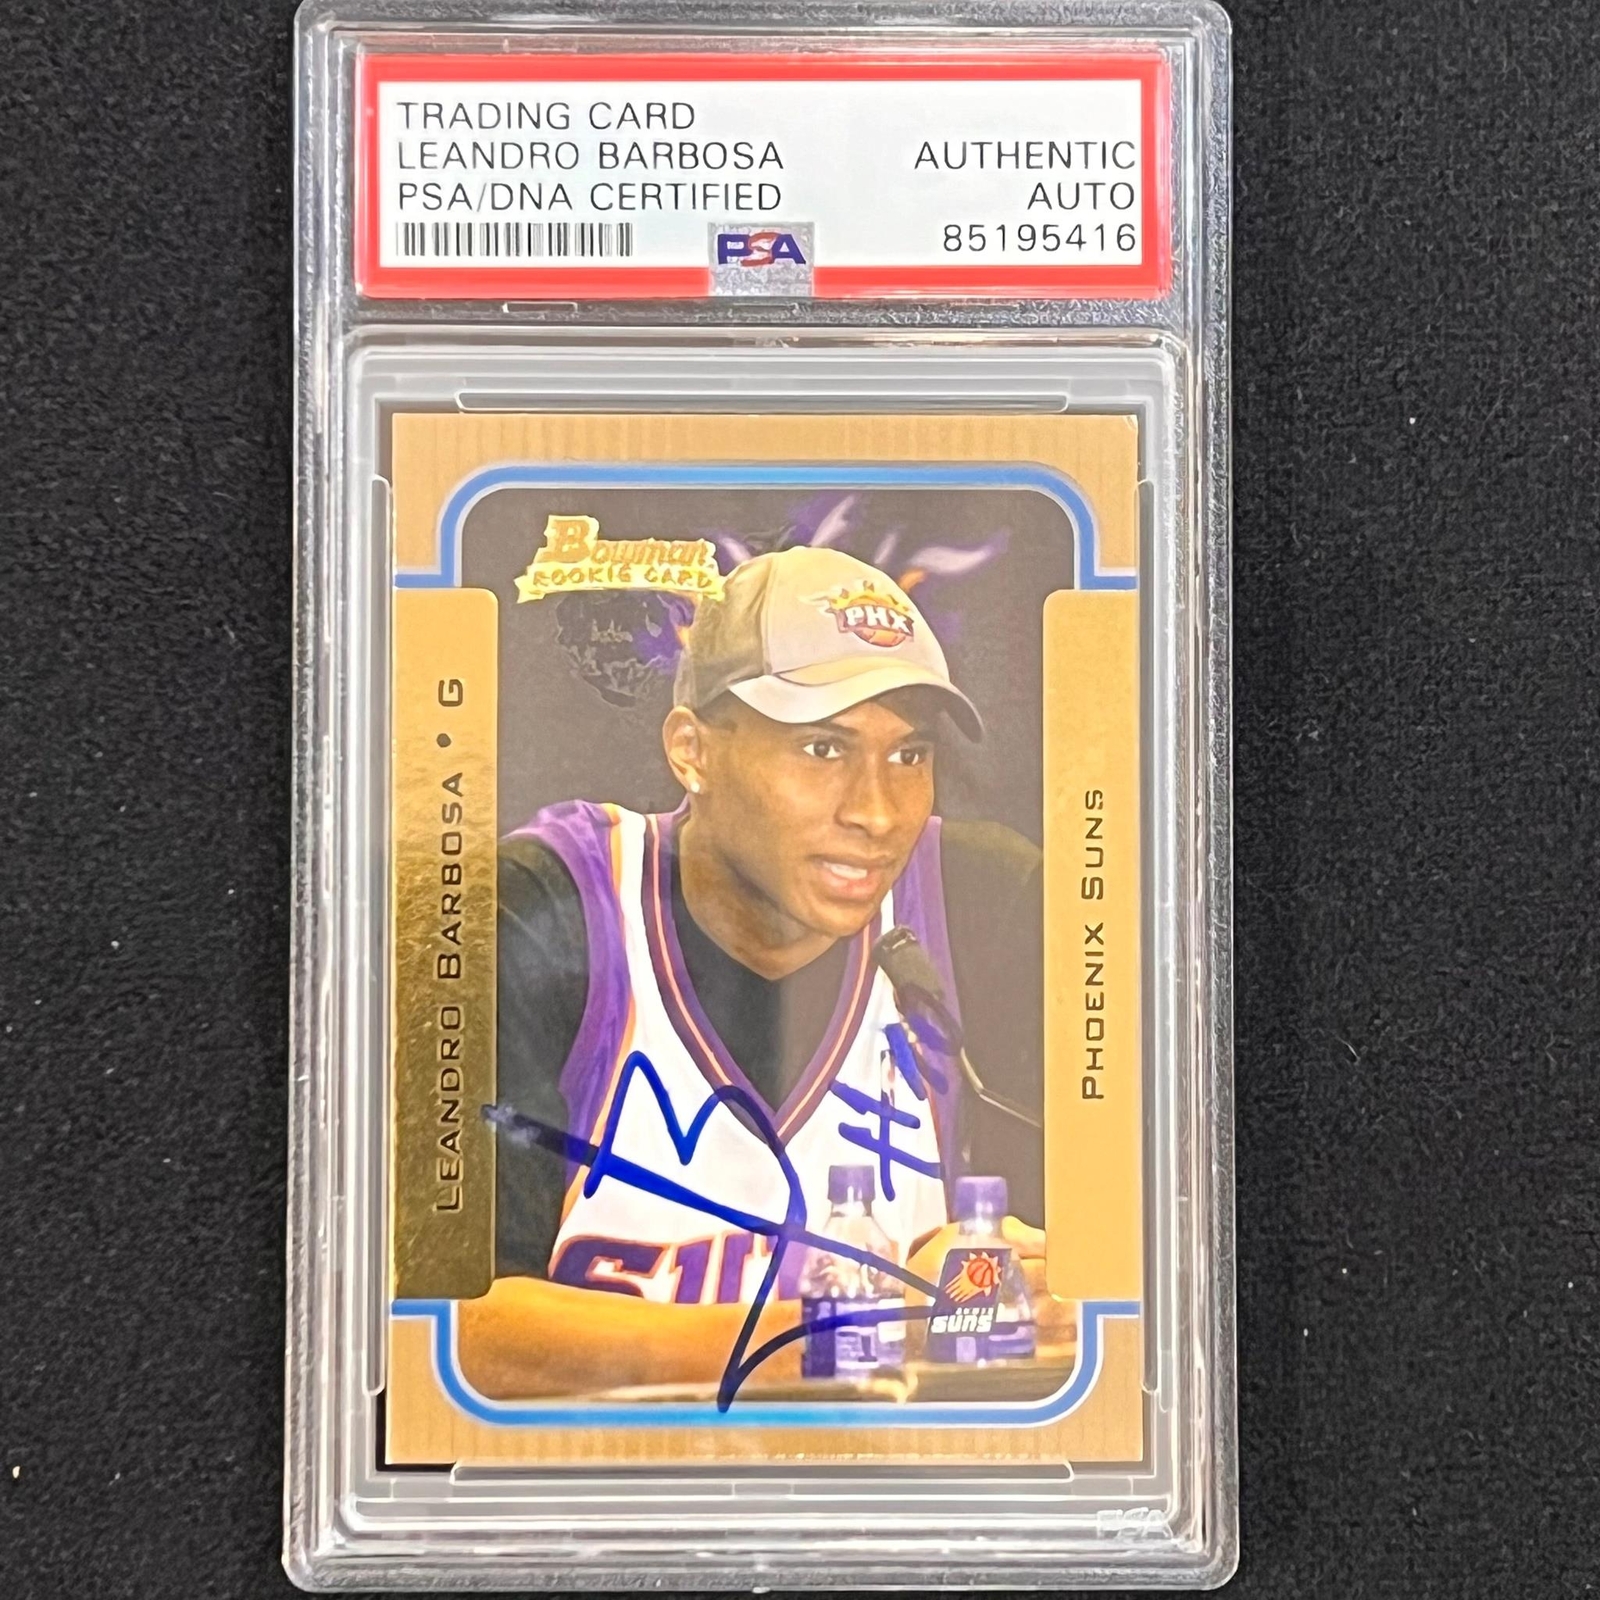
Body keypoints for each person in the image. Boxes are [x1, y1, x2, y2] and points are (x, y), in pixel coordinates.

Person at [460, 547, 1048, 1399]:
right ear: (692, 751)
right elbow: (454, 1333)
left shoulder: (982, 903)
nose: (876, 812)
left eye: (909, 756)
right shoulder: (545, 907)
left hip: (892, 1480)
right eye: (823, 747)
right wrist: (853, 1330)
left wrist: (1010, 1285)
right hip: (604, 1480)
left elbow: (1100, 1286)